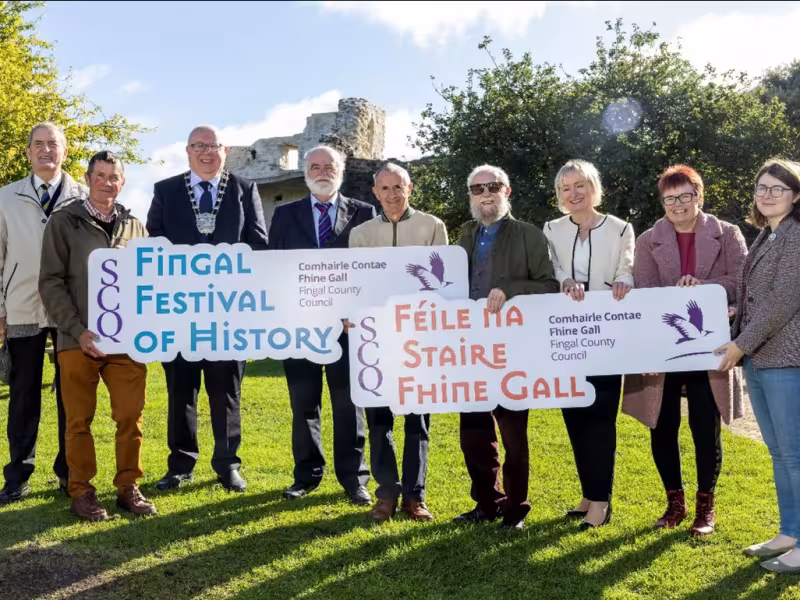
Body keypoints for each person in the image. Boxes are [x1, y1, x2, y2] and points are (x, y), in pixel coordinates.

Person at [622, 164, 746, 536]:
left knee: (705, 425)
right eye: (669, 198)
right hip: (663, 347)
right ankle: (674, 502)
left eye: (685, 196)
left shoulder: (727, 233)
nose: (677, 204)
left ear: (699, 195)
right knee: (661, 424)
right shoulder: (649, 240)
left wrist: (703, 285)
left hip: (709, 346)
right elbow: (644, 291)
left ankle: (706, 506)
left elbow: (741, 281)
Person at [146, 125, 269, 493]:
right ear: (187, 151)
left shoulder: (244, 189)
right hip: (179, 312)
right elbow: (154, 246)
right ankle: (180, 464)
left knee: (226, 392)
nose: (206, 152)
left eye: (212, 145)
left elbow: (258, 246)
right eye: (198, 145)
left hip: (229, 314)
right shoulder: (166, 190)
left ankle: (227, 464)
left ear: (224, 150)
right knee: (181, 390)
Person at [39, 151, 155, 521]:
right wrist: (77, 330)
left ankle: (128, 486)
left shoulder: (135, 226)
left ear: (123, 182)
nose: (107, 182)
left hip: (125, 344)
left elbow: (150, 282)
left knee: (130, 415)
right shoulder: (63, 221)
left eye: (113, 176)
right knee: (78, 421)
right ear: (88, 179)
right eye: (100, 175)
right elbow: (50, 282)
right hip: (78, 340)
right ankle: (81, 491)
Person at [268, 145, 375, 505]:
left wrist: (357, 312)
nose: (322, 171)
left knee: (349, 404)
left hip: (348, 328)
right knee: (304, 404)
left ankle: (354, 478)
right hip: (301, 328)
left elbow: (372, 270)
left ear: (341, 171)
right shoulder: (285, 215)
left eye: (329, 166)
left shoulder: (364, 212)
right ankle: (306, 475)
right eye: (315, 166)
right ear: (305, 172)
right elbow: (274, 269)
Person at [454, 164, 559, 530]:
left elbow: (548, 286)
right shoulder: (464, 236)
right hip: (468, 347)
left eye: (493, 186)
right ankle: (487, 502)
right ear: (471, 195)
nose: (486, 194)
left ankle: (515, 509)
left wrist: (510, 290)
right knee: (473, 433)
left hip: (512, 347)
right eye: (477, 188)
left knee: (513, 431)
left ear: (506, 191)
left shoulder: (529, 235)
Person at [349, 162, 447, 523]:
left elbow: (443, 282)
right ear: (375, 193)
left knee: (417, 421)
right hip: (374, 339)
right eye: (385, 188)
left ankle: (414, 497)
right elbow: (354, 285)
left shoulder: (432, 226)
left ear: (410, 189)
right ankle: (387, 494)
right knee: (379, 420)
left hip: (418, 337)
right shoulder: (360, 234)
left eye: (398, 187)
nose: (392, 195)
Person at [716, 158, 800, 572]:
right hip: (761, 358)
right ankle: (790, 532)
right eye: (762, 188)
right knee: (780, 453)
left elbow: (784, 299)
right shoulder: (768, 234)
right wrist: (735, 320)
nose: (767, 195)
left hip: (787, 358)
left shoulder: (796, 236)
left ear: (795, 195)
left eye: (777, 189)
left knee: (795, 454)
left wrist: (740, 344)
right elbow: (755, 298)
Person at [543, 159, 634, 530]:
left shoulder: (620, 228)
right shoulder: (551, 229)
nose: (573, 193)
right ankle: (588, 493)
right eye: (566, 188)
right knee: (575, 416)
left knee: (600, 418)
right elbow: (549, 267)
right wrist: (564, 281)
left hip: (606, 335)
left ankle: (601, 502)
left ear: (594, 187)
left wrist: (624, 280)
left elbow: (627, 266)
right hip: (566, 336)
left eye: (580, 185)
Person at [0, 122, 88, 504]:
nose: (46, 150)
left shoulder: (83, 198)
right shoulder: (5, 198)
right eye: (38, 144)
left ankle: (69, 471)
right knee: (22, 396)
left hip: (71, 313)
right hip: (22, 309)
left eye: (53, 144)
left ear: (65, 151)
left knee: (72, 395)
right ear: (28, 152)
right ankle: (17, 476)